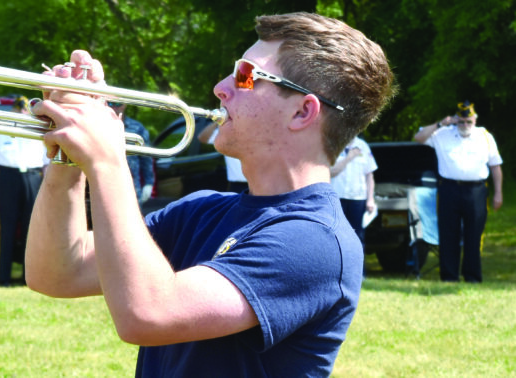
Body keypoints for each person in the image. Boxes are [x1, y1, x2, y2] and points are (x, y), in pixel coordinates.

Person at [26, 12, 396, 376]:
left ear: (302, 111)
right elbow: (57, 274)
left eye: (246, 75)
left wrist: (107, 162)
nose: (221, 86)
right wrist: (67, 162)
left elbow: (149, 314)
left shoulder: (315, 241)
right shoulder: (201, 211)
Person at [413, 101, 503, 283]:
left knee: (474, 234)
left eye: (468, 122)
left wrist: (498, 193)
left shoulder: (484, 136)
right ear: (455, 120)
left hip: (476, 191)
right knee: (448, 233)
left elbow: (495, 166)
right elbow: (419, 137)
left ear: (475, 119)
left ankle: (472, 276)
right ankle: (449, 276)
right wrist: (441, 123)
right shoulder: (442, 134)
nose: (465, 126)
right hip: (449, 189)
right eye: (461, 122)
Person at [0, 96, 46, 286]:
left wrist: (47, 190)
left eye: (25, 110)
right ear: (13, 111)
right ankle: (4, 278)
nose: (22, 114)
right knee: (7, 229)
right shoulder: (1, 130)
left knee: (31, 229)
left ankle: (29, 278)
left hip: (33, 178)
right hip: (8, 178)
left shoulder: (38, 131)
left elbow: (47, 165)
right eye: (19, 110)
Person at [330, 135, 377, 249]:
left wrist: (370, 199)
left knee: (357, 237)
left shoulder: (363, 146)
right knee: (336, 236)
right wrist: (349, 157)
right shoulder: (334, 144)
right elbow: (331, 172)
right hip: (337, 199)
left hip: (358, 200)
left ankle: (359, 267)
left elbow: (369, 175)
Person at [107, 102, 155, 205]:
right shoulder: (96, 125)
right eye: (110, 103)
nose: (114, 107)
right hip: (104, 181)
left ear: (124, 105)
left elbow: (146, 156)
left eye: (118, 103)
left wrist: (149, 183)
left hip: (131, 185)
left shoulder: (137, 128)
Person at [197, 121, 248, 192]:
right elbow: (202, 137)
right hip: (237, 186)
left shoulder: (258, 132)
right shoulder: (225, 135)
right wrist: (219, 119)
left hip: (260, 185)